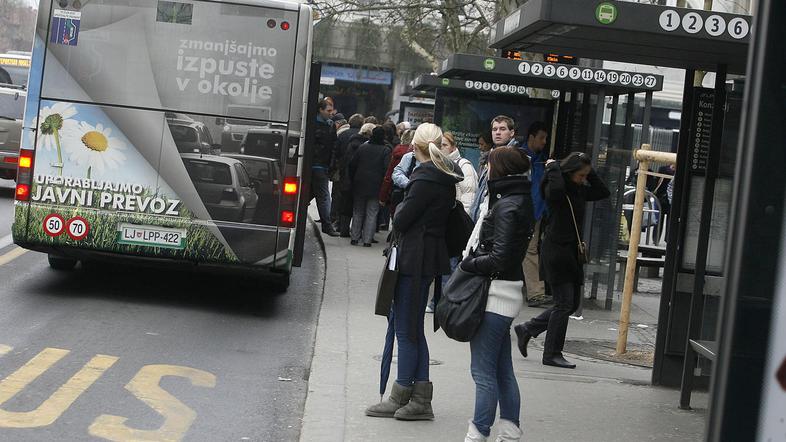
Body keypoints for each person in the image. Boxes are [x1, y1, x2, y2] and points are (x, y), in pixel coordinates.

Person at [365, 123, 463, 421]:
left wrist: (400, 200)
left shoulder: (423, 178)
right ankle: (420, 398)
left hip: (413, 258)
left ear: (414, 147)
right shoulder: (443, 177)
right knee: (413, 328)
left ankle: (402, 393)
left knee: (406, 331)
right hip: (427, 258)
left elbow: (404, 219)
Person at [460, 147, 533, 442]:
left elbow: (499, 258)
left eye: (489, 164)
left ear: (500, 169)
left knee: (482, 372)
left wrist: (468, 263)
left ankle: (477, 434)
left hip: (495, 295)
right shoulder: (518, 201)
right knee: (502, 369)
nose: (486, 169)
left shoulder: (506, 206)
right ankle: (510, 432)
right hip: (506, 292)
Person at [514, 152, 610, 369]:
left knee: (572, 303)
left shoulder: (579, 189)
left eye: (585, 175)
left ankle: (529, 328)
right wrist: (554, 167)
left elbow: (603, 191)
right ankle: (551, 353)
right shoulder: (555, 186)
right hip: (557, 251)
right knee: (564, 303)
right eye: (580, 175)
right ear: (569, 172)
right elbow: (555, 193)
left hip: (571, 253)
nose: (583, 179)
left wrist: (588, 167)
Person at [518, 121, 550, 307]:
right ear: (531, 137)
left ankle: (535, 292)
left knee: (529, 250)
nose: (544, 141)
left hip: (535, 211)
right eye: (541, 138)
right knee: (530, 250)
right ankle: (535, 292)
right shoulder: (528, 159)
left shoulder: (540, 159)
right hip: (527, 210)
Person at [470, 116, 520, 223]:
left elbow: (515, 200)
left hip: (498, 222)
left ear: (511, 133)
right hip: (480, 218)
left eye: (502, 129)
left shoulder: (516, 159)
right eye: (494, 129)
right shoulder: (488, 156)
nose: (497, 132)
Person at [349, 126, 390, 247]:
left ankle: (354, 237)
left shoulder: (363, 147)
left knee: (358, 211)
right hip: (376, 185)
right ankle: (367, 240)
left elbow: (352, 165)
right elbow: (386, 169)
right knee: (372, 213)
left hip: (360, 183)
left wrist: (353, 179)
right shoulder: (385, 150)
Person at [339, 123, 374, 236]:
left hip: (349, 178)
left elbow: (346, 161)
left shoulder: (352, 143)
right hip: (361, 180)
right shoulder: (366, 146)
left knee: (347, 205)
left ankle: (344, 229)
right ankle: (359, 233)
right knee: (361, 209)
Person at [332, 114, 364, 233]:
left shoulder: (343, 135)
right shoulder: (363, 137)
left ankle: (336, 220)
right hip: (358, 173)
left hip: (343, 170)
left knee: (339, 196)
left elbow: (336, 151)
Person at [312, 98, 339, 237]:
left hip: (321, 164)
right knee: (323, 197)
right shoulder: (320, 125)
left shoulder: (330, 125)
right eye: (328, 110)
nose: (331, 113)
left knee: (314, 195)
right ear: (320, 110)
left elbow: (334, 146)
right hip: (318, 165)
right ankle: (327, 225)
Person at [379, 129, 415, 215]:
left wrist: (383, 196)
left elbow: (389, 175)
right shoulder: (414, 155)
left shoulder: (396, 152)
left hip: (397, 193)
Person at [441, 132, 478, 212]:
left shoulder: (463, 165)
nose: (441, 148)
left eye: (445, 145)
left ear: (453, 147)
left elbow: (469, 195)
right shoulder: (436, 165)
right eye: (439, 145)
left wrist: (462, 220)